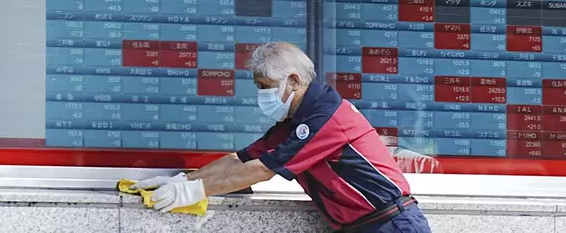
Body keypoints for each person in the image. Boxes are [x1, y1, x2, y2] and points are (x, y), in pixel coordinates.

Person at [132, 42, 433, 233]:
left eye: (266, 85)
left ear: (293, 80)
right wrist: (183, 181)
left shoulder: (326, 117)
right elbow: (241, 159)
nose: (262, 95)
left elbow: (262, 170)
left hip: (392, 224)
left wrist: (193, 193)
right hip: (363, 226)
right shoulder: (295, 119)